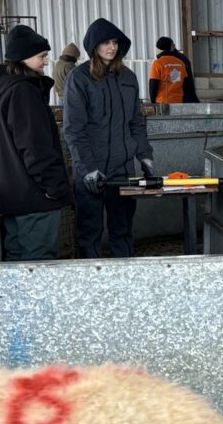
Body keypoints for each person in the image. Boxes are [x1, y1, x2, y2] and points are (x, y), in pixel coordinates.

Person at [0, 25, 72, 261]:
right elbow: (35, 147)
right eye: (41, 56)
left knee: (16, 262)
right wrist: (53, 188)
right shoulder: (23, 93)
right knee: (38, 265)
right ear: (23, 57)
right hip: (35, 200)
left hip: (10, 196)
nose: (45, 62)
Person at [62, 18, 155, 258]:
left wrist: (145, 156)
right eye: (105, 42)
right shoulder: (79, 78)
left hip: (122, 170)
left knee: (122, 229)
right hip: (91, 171)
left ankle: (125, 279)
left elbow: (136, 121)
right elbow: (74, 129)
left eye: (115, 42)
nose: (111, 47)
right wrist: (88, 168)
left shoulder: (128, 78)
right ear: (94, 46)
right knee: (90, 231)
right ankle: (91, 282)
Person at [154, 36, 199, 103]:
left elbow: (181, 82)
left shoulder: (177, 61)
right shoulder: (181, 59)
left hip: (177, 99)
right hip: (181, 98)